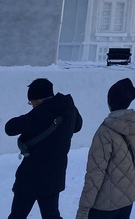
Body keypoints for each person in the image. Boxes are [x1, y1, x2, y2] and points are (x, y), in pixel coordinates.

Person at [5, 78, 83, 219]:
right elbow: (78, 126)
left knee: (17, 215)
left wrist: (36, 114)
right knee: (52, 216)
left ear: (38, 99)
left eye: (31, 102)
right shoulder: (68, 107)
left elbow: (9, 128)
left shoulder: (38, 114)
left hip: (30, 178)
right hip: (54, 176)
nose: (32, 105)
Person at [76, 78, 135, 219]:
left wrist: (84, 208)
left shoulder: (104, 132)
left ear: (109, 103)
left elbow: (95, 174)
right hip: (128, 198)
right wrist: (129, 186)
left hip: (103, 206)